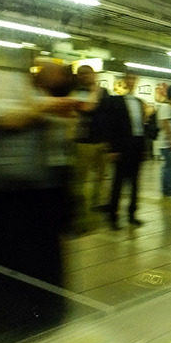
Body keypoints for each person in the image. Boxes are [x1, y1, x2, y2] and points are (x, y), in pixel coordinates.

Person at [0, 58, 79, 326]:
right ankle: (17, 316)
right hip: (10, 192)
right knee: (19, 257)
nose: (58, 79)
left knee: (43, 254)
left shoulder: (49, 101)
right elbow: (10, 120)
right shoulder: (5, 96)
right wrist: (45, 109)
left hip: (44, 189)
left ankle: (46, 310)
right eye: (53, 74)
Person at [106, 69, 150, 229]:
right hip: (122, 146)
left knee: (135, 183)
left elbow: (142, 127)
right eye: (129, 78)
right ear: (124, 80)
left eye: (134, 78)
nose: (131, 81)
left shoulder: (139, 103)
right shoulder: (116, 102)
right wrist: (112, 148)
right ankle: (113, 217)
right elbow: (112, 127)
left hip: (137, 145)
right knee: (118, 182)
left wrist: (144, 148)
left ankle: (132, 213)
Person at [71, 65, 111, 232]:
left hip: (102, 142)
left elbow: (110, 115)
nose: (85, 77)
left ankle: (96, 211)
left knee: (101, 180)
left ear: (94, 74)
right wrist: (95, 90)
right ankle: (80, 215)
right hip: (84, 143)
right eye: (81, 74)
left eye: (87, 73)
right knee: (80, 181)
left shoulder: (105, 93)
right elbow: (87, 107)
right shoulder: (78, 92)